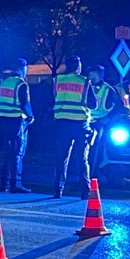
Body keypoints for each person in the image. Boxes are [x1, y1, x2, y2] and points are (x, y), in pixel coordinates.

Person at [52, 56, 97, 199]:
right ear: (78, 67)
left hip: (61, 124)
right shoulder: (84, 81)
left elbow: (54, 98)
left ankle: (58, 190)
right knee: (82, 158)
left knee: (61, 157)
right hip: (80, 124)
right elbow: (93, 104)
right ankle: (85, 191)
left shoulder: (57, 80)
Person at [0, 58, 34, 193]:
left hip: (4, 120)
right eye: (25, 69)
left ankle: (5, 183)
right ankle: (16, 183)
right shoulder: (21, 84)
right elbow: (24, 103)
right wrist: (30, 116)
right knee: (18, 153)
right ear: (21, 69)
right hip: (17, 121)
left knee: (7, 152)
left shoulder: (4, 83)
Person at [86, 64, 123, 177]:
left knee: (96, 150)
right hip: (86, 121)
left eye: (92, 73)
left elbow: (118, 106)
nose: (89, 75)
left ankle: (93, 175)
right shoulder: (86, 86)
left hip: (99, 123)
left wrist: (107, 119)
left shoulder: (108, 89)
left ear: (98, 74)